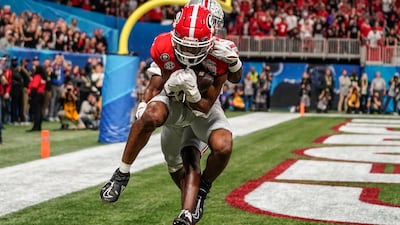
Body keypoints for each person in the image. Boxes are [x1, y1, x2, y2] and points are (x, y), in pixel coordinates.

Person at [100, 4, 242, 225]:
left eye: (195, 47)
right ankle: (121, 174)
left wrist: (233, 64)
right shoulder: (164, 44)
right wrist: (145, 104)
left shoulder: (222, 52)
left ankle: (197, 198)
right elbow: (157, 82)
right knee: (153, 122)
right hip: (174, 102)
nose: (188, 51)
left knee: (216, 148)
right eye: (184, 44)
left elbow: (206, 105)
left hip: (202, 109)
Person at [27, 65, 47, 132]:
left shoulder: (37, 76)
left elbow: (34, 87)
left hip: (36, 95)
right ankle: (39, 126)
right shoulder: (43, 77)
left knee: (36, 111)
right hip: (41, 94)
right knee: (39, 111)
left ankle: (36, 126)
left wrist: (30, 96)